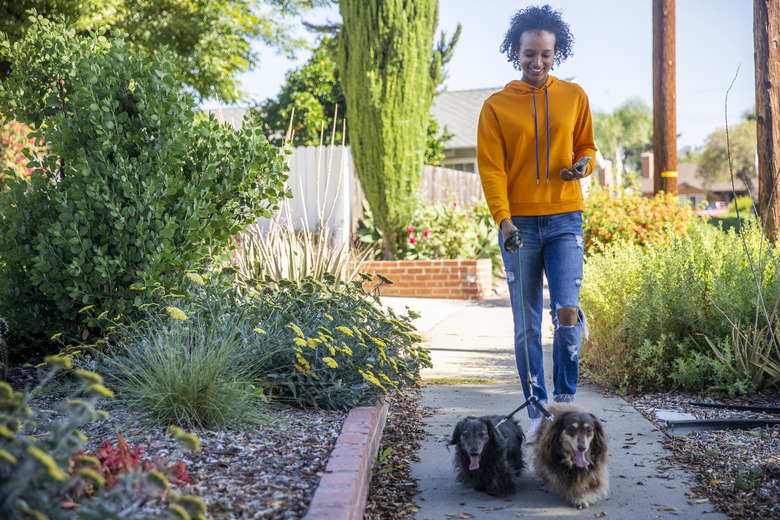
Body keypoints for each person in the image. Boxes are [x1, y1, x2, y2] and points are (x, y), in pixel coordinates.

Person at [477, 4, 597, 437]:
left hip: (566, 219)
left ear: (555, 53)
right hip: (519, 228)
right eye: (529, 53)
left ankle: (564, 405)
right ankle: (535, 411)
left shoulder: (574, 96)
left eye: (546, 54)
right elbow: (491, 169)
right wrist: (504, 220)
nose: (537, 62)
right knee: (525, 324)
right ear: (516, 52)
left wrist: (581, 167)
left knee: (567, 310)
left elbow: (587, 146)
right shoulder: (496, 106)